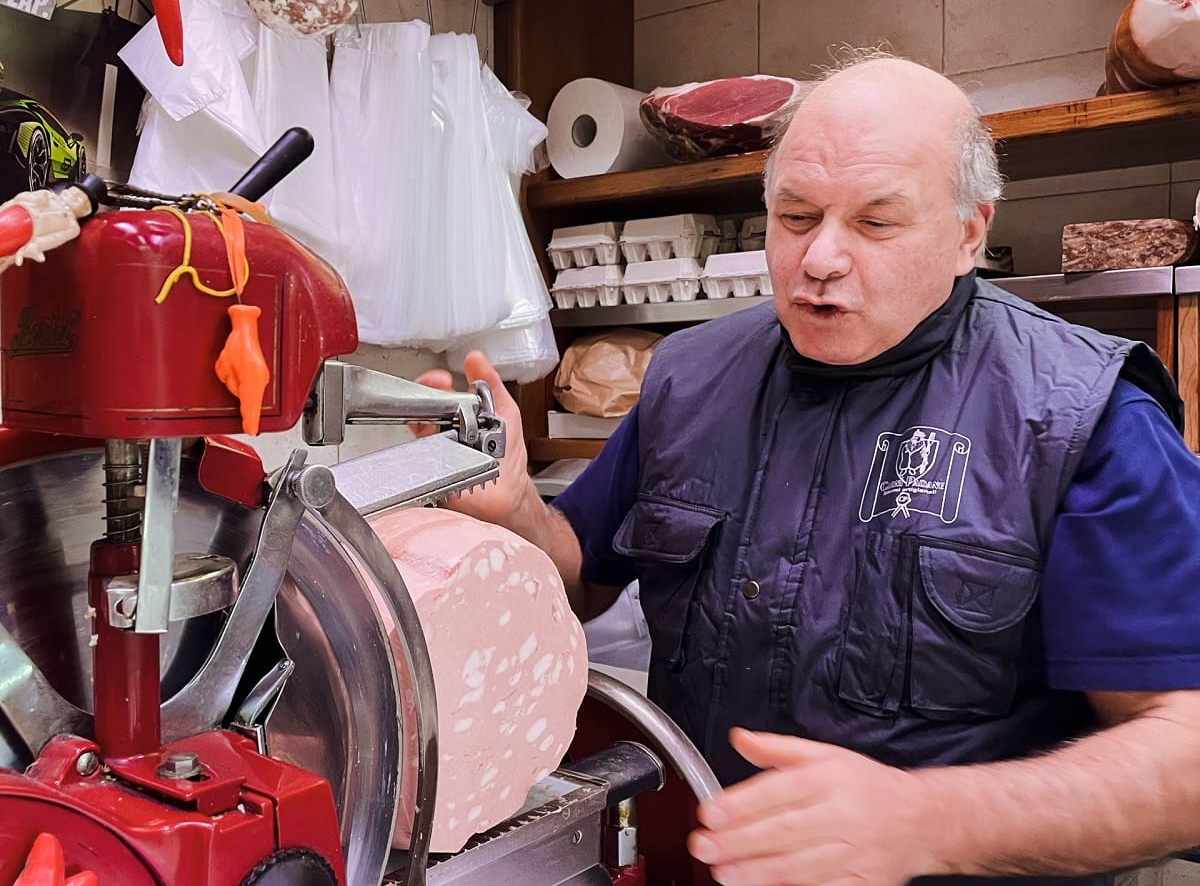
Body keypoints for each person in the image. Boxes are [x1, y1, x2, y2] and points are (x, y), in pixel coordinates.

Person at [418, 54, 1200, 885]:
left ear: (970, 232)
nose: (820, 258)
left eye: (875, 223)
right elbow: (580, 573)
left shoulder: (1084, 414)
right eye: (795, 217)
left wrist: (930, 821)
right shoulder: (692, 377)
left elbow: (1182, 755)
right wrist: (515, 516)